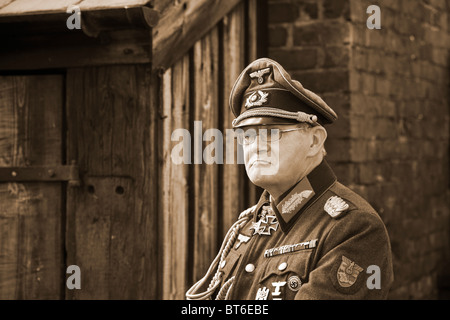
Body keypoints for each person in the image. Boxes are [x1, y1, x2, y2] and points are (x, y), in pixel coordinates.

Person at [185, 58, 394, 300]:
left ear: (314, 141)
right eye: (248, 136)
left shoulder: (354, 228)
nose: (256, 147)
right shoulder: (248, 225)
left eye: (271, 133)